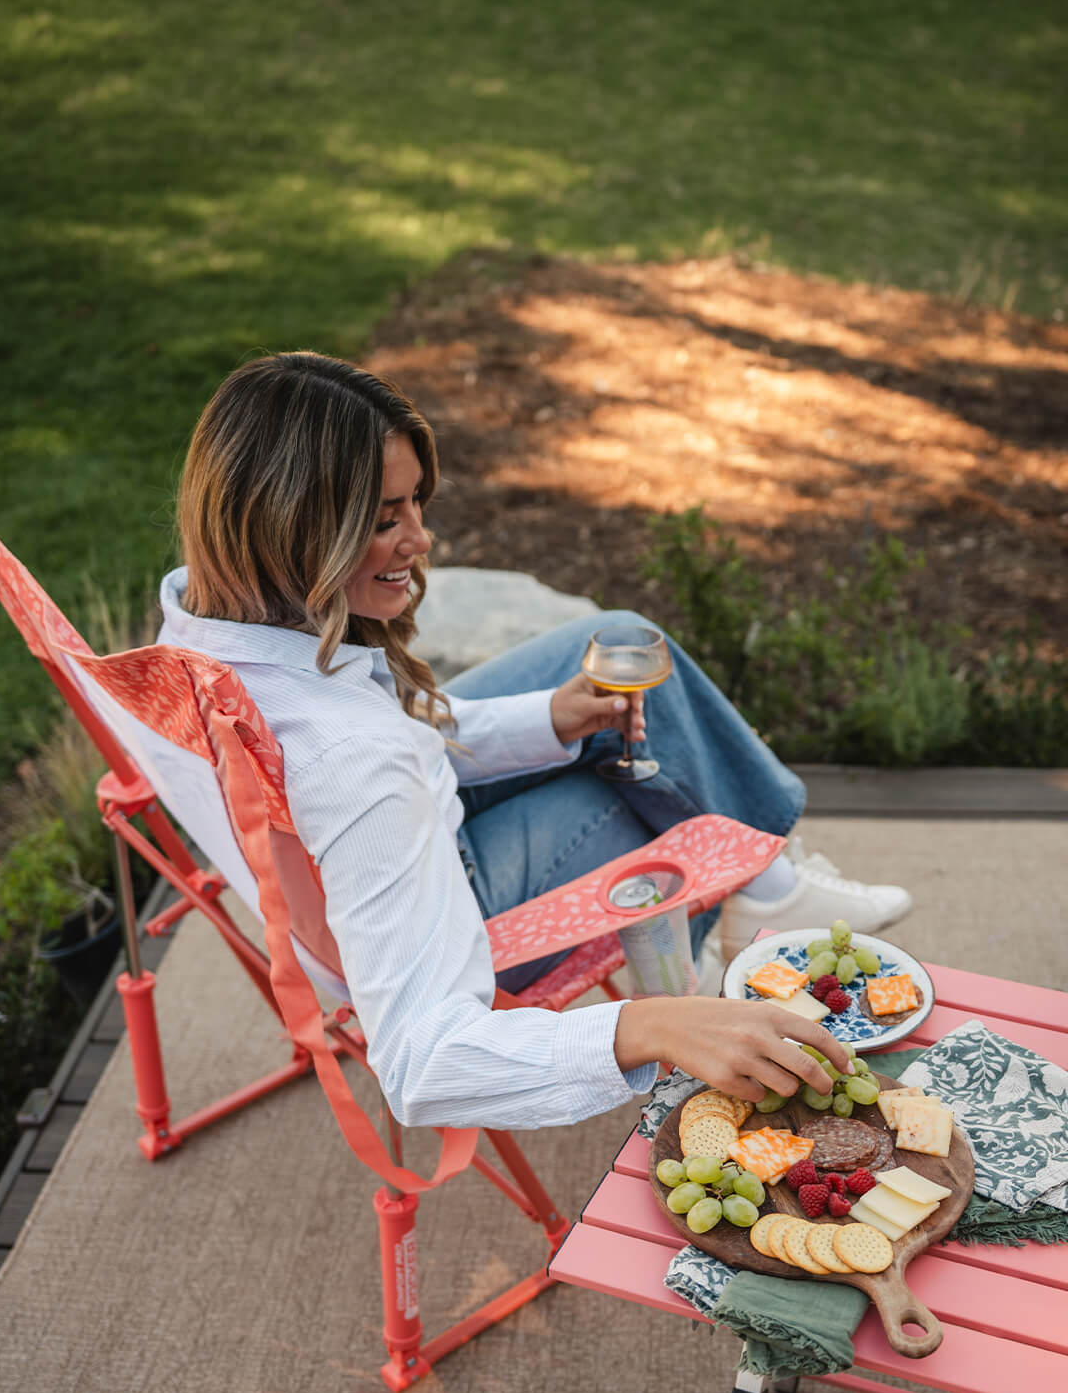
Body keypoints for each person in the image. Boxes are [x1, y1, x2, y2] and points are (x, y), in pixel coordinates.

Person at [157, 352, 910, 1131]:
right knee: (649, 792)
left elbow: (380, 745)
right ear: (289, 529)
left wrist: (546, 720)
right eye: (385, 520)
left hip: (376, 833)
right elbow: (422, 1062)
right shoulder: (354, 764)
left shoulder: (199, 618)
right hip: (442, 905)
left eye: (415, 503)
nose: (421, 538)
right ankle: (760, 888)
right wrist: (648, 1029)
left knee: (621, 643)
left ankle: (765, 884)